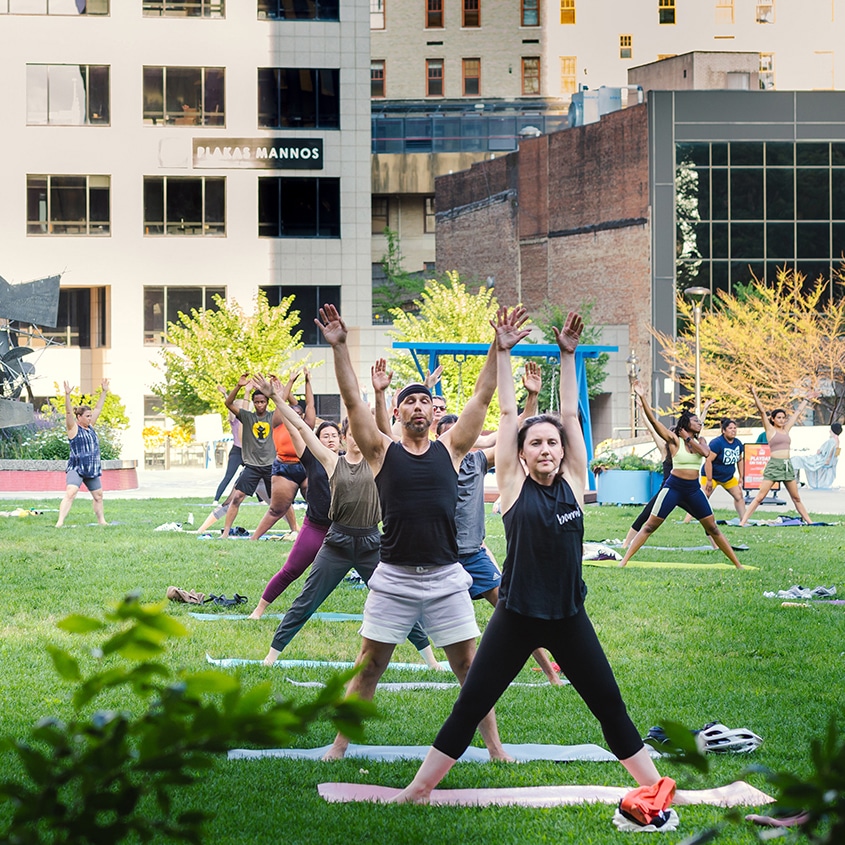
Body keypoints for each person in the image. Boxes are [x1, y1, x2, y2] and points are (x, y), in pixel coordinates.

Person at [393, 311, 664, 803]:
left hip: (568, 617)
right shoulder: (514, 487)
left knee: (610, 706)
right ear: (520, 454)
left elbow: (572, 417)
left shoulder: (576, 484)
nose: (545, 448)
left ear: (563, 451)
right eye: (535, 443)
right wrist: (503, 352)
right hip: (515, 616)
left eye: (551, 443)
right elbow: (503, 419)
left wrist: (567, 354)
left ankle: (659, 788)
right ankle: (418, 789)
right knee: (471, 703)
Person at [316, 302, 522, 762]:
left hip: (447, 575)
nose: (416, 405)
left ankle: (496, 749)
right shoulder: (380, 451)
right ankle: (338, 747)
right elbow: (351, 401)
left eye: (422, 399)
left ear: (433, 409)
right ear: (397, 410)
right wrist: (341, 347)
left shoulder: (452, 449)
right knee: (369, 665)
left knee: (470, 668)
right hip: (394, 575)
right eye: (407, 400)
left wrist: (497, 348)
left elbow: (482, 398)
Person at [255, 379, 439, 669]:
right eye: (351, 433)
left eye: (360, 433)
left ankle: (432, 662)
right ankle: (270, 657)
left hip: (371, 545)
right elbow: (302, 428)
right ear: (344, 438)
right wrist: (277, 399)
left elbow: (388, 428)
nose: (356, 438)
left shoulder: (382, 462)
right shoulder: (331, 460)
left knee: (398, 602)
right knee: (306, 600)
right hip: (337, 543)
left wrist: (385, 393)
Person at [618, 383, 742, 569]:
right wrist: (643, 399)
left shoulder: (699, 441)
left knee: (713, 528)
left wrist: (689, 437)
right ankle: (624, 562)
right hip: (673, 488)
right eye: (696, 421)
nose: (700, 423)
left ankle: (738, 565)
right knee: (650, 526)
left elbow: (706, 453)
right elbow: (654, 422)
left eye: (700, 422)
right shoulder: (674, 441)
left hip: (693, 490)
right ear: (686, 425)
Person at [248, 399, 338, 619]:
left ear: (342, 439)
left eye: (334, 435)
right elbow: (296, 428)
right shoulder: (311, 460)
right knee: (291, 570)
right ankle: (259, 609)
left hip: (346, 529)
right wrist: (278, 397)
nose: (330, 439)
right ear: (317, 440)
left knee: (378, 576)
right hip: (316, 527)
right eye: (325, 436)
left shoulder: (351, 460)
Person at [250, 369, 316, 541]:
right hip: (284, 468)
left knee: (319, 505)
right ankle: (254, 539)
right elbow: (280, 403)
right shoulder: (278, 423)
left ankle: (321, 536)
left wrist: (308, 381)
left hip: (306, 467)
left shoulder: (306, 425)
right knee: (277, 509)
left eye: (299, 415)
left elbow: (310, 405)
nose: (297, 418)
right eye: (292, 415)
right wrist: (290, 382)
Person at [740, 386, 816, 526]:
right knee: (760, 497)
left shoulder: (786, 429)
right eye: (779, 418)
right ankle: (743, 522)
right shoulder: (770, 430)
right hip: (774, 465)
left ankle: (810, 521)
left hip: (787, 466)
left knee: (796, 497)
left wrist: (806, 399)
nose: (782, 420)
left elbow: (797, 413)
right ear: (773, 419)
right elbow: (762, 411)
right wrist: (754, 393)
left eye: (783, 418)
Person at [220, 376, 278, 538]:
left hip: (270, 466)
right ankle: (225, 533)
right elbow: (228, 404)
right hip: (251, 466)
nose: (260, 405)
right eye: (257, 402)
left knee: (282, 500)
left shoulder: (273, 416)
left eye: (263, 402)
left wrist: (274, 392)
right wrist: (238, 386)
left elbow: (286, 405)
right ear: (253, 403)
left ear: (267, 402)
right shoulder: (247, 417)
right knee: (237, 497)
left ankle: (295, 530)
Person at [56, 379, 110, 528]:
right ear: (79, 417)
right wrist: (67, 395)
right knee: (71, 493)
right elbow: (68, 412)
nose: (90, 418)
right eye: (87, 416)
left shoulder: (90, 427)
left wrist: (104, 391)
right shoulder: (73, 429)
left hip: (91, 468)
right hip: (77, 468)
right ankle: (59, 523)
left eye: (90, 416)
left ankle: (101, 521)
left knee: (98, 496)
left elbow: (98, 408)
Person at [700, 418, 746, 519]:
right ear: (724, 430)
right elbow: (708, 461)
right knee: (702, 497)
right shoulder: (717, 443)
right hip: (712, 476)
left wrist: (741, 476)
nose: (733, 430)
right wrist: (709, 480)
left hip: (727, 477)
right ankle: (687, 521)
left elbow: (740, 460)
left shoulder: (738, 443)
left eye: (735, 428)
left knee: (739, 496)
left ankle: (744, 520)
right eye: (730, 428)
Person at [792, 423, 841, 489]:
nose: (829, 431)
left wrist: (821, 452)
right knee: (797, 459)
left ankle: (795, 482)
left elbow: (824, 454)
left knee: (795, 460)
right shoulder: (836, 441)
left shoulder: (832, 441)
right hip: (820, 459)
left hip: (819, 460)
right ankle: (796, 482)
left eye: (831, 430)